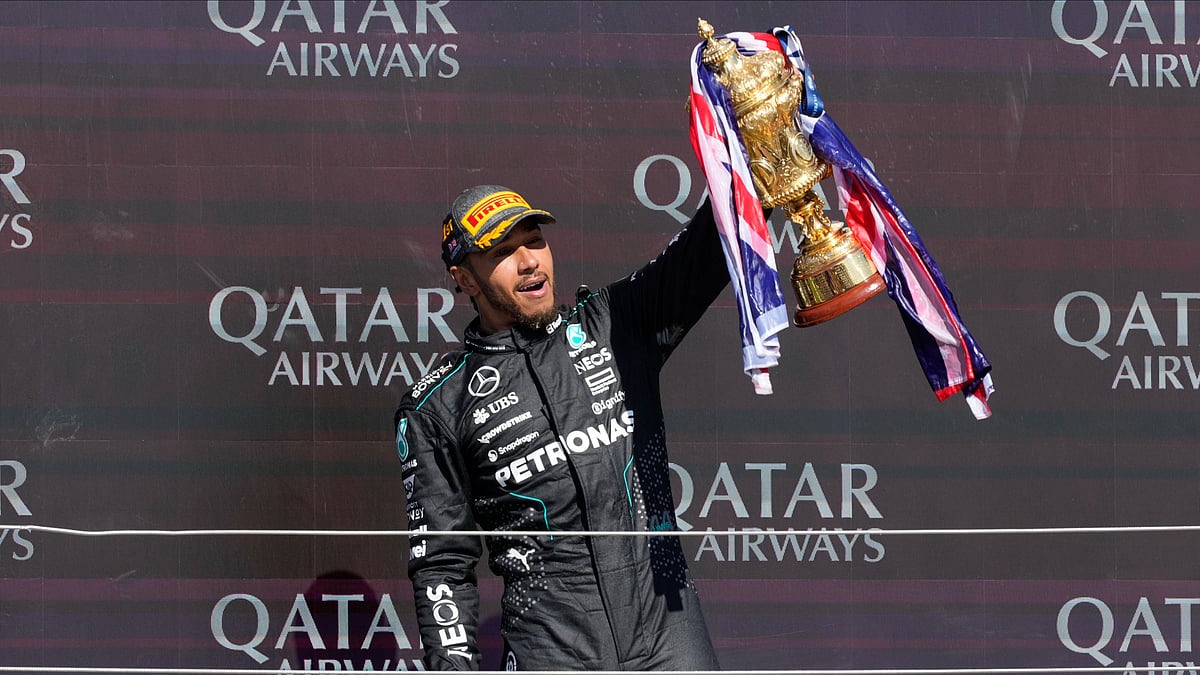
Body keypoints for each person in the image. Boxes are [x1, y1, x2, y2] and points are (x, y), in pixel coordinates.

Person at [394, 184, 727, 670]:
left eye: (534, 241)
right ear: (464, 279)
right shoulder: (436, 406)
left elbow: (710, 245)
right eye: (504, 252)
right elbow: (443, 565)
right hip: (552, 648)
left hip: (671, 631)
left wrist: (765, 151)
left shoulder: (617, 322)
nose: (529, 261)